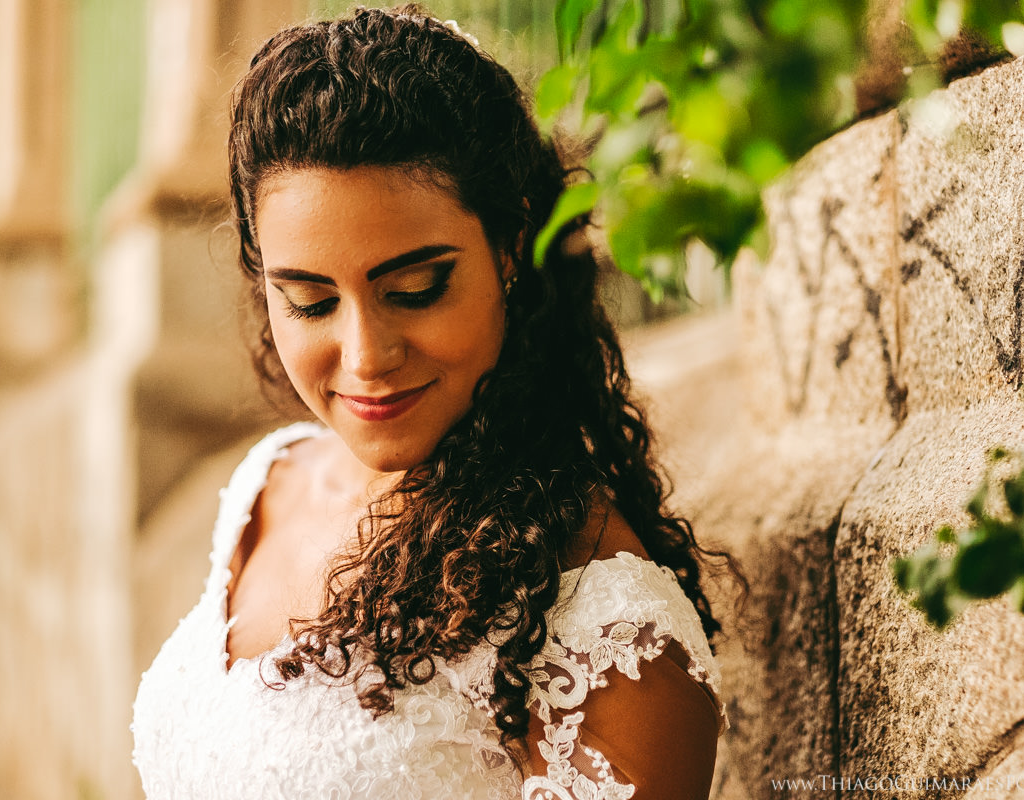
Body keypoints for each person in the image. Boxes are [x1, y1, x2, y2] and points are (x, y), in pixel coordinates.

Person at [131, 5, 734, 798]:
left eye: (415, 289)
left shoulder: (607, 632)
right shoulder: (267, 485)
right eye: (311, 301)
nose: (367, 356)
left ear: (511, 251)